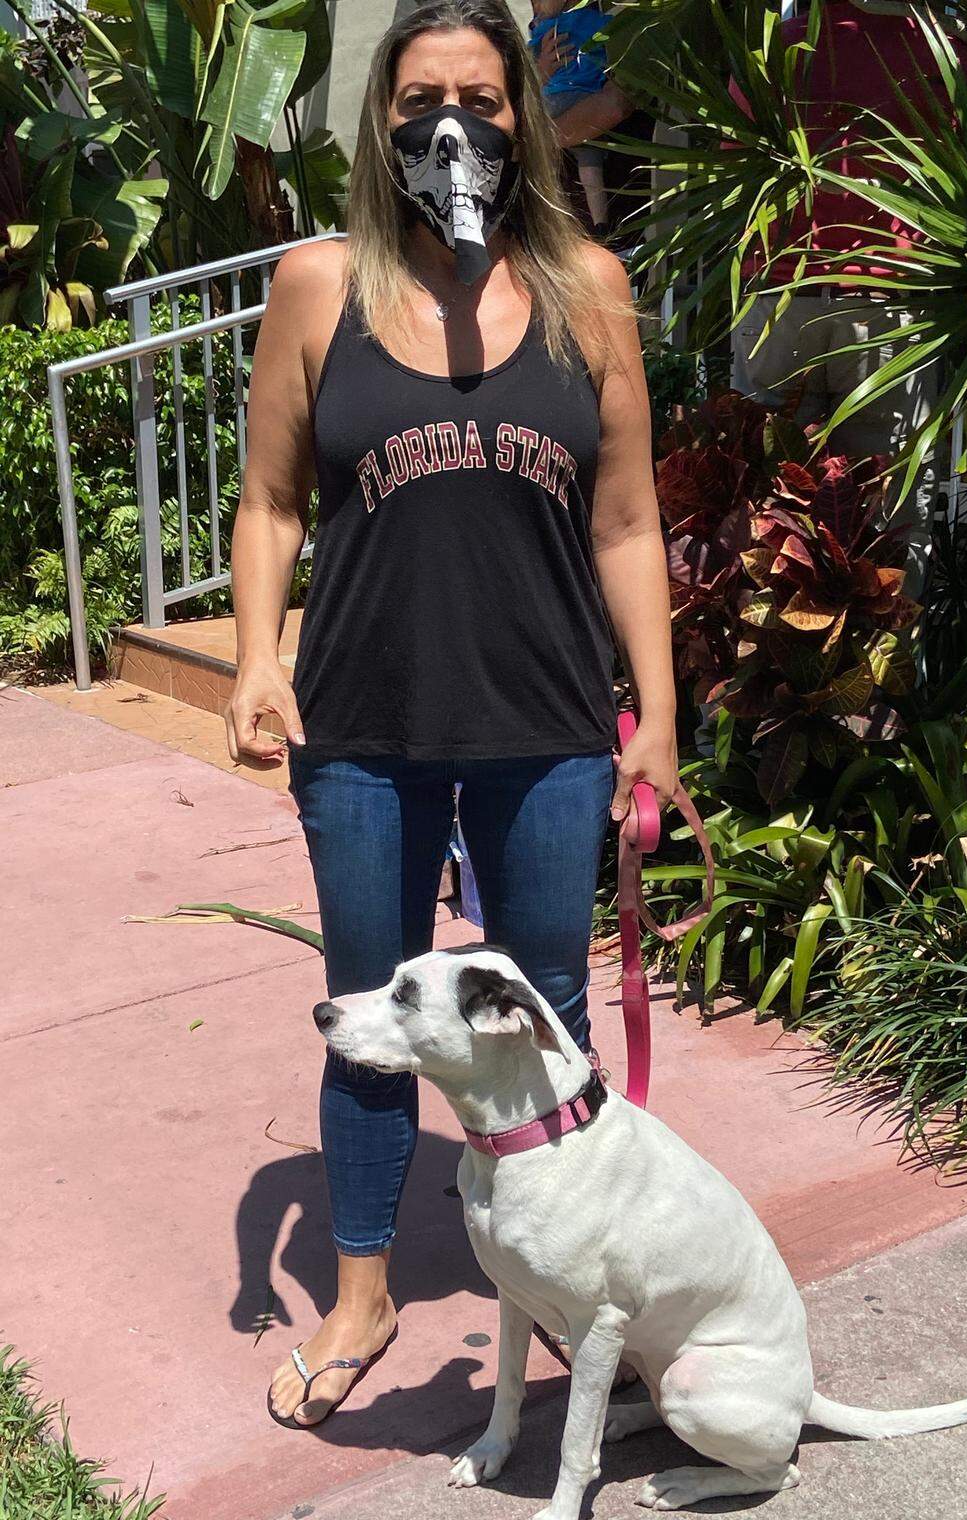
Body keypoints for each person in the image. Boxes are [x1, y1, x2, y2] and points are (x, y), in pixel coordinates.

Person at [223, 0, 677, 1430]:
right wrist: (253, 658)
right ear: (381, 119)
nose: (452, 127)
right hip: (362, 729)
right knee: (374, 1012)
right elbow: (272, 500)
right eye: (424, 99)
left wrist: (652, 716)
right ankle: (363, 1293)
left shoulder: (590, 288)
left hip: (546, 728)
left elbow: (625, 519)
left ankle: (560, 1287)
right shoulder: (318, 286)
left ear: (523, 119)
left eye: (482, 99)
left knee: (545, 1019)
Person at [731, 0, 967, 596]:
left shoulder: (779, 50)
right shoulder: (951, 57)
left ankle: (764, 669)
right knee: (888, 514)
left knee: (765, 505)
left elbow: (732, 167)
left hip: (782, 299)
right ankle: (883, 675)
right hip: (888, 309)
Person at [530, 0, 610, 234]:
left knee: (546, 169)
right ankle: (601, 225)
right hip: (585, 98)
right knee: (590, 163)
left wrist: (538, 143)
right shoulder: (598, 20)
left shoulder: (551, 26)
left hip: (554, 100)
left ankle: (547, 219)